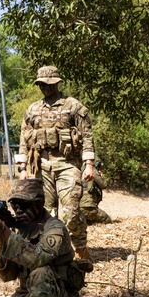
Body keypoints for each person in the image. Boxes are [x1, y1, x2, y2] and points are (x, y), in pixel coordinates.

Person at [15, 66, 96, 259]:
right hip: (42, 167)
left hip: (68, 165)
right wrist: (22, 168)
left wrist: (89, 164)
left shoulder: (73, 106)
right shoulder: (33, 109)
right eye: (41, 85)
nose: (44, 88)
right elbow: (24, 139)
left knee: (71, 212)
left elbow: (87, 136)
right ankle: (54, 251)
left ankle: (80, 246)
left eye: (48, 84)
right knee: (46, 214)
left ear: (57, 83)